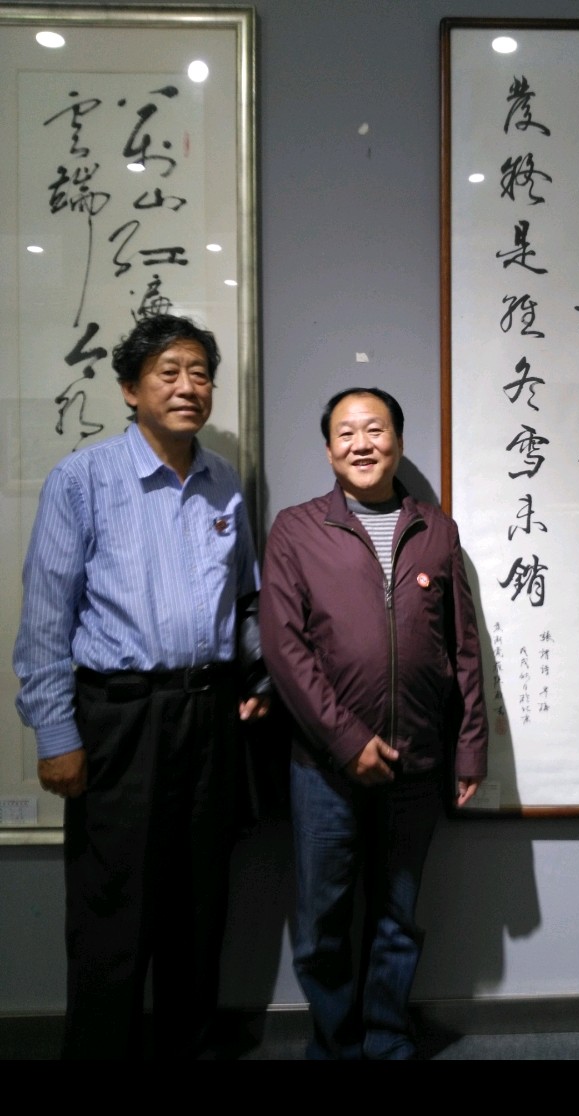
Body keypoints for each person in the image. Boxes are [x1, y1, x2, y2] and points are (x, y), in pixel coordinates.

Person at [13, 313, 270, 1060]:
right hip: (119, 720)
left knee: (200, 906)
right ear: (130, 389)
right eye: (170, 372)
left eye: (201, 374)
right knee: (112, 910)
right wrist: (56, 735)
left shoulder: (224, 484)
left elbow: (245, 602)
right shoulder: (83, 480)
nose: (189, 387)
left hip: (210, 716)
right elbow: (45, 619)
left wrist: (261, 676)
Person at [259, 386, 488, 1061]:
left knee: (397, 915)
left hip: (417, 762)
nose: (362, 443)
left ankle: (386, 1038)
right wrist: (346, 740)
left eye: (376, 429)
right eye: (346, 432)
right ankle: (335, 1044)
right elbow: (283, 647)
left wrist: (470, 748)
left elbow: (464, 649)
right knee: (322, 922)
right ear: (329, 449)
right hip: (324, 768)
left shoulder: (436, 530)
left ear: (399, 441)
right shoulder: (296, 530)